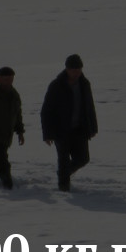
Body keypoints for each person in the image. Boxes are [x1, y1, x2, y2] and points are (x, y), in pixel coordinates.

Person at [40, 54, 98, 192]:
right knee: (63, 160)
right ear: (67, 69)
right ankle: (63, 189)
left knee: (83, 158)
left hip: (79, 129)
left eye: (79, 70)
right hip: (61, 130)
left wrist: (93, 127)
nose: (76, 73)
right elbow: (46, 111)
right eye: (74, 70)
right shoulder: (56, 85)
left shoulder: (84, 84)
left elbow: (89, 107)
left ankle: (63, 174)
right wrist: (47, 134)